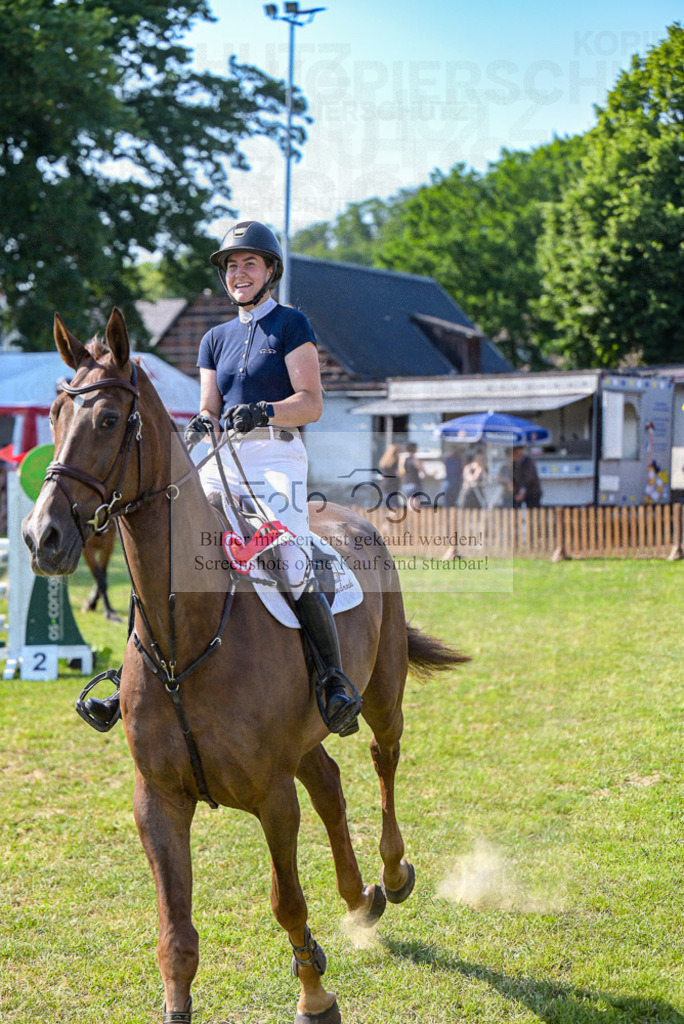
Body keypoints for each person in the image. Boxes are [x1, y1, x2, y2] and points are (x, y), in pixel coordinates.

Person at [84, 221, 361, 736]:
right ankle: (126, 678)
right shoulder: (215, 338)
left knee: (289, 555)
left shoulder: (291, 324)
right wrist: (203, 422)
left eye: (249, 263)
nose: (239, 273)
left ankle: (332, 681)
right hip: (221, 456)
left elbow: (311, 404)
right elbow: (210, 406)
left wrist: (264, 410)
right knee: (167, 545)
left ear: (270, 270)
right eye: (232, 265)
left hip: (275, 456)